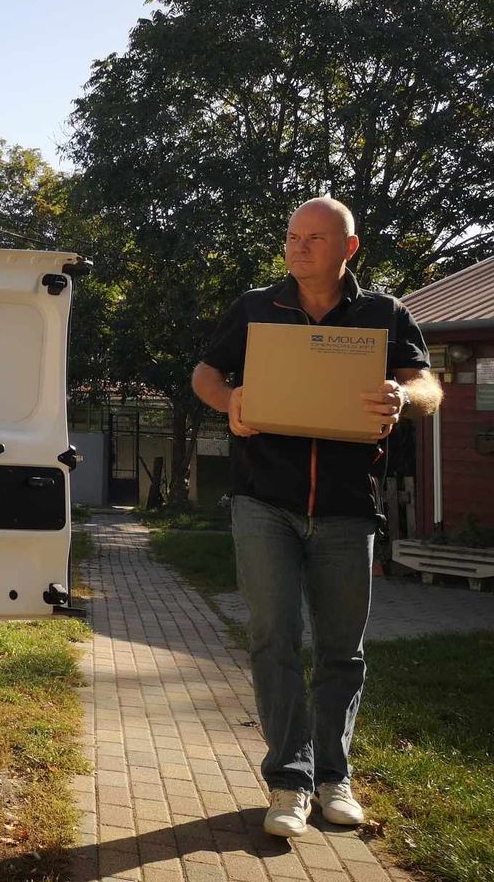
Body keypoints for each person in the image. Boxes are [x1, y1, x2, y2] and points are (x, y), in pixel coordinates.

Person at [191, 196, 443, 840]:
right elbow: (204, 374)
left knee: (341, 650)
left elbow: (428, 387)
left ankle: (335, 777)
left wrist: (401, 394)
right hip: (263, 503)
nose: (298, 246)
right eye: (292, 235)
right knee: (273, 638)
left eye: (314, 237)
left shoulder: (385, 314)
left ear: (348, 247)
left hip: (346, 508)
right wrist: (231, 400)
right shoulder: (254, 307)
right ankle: (288, 781)